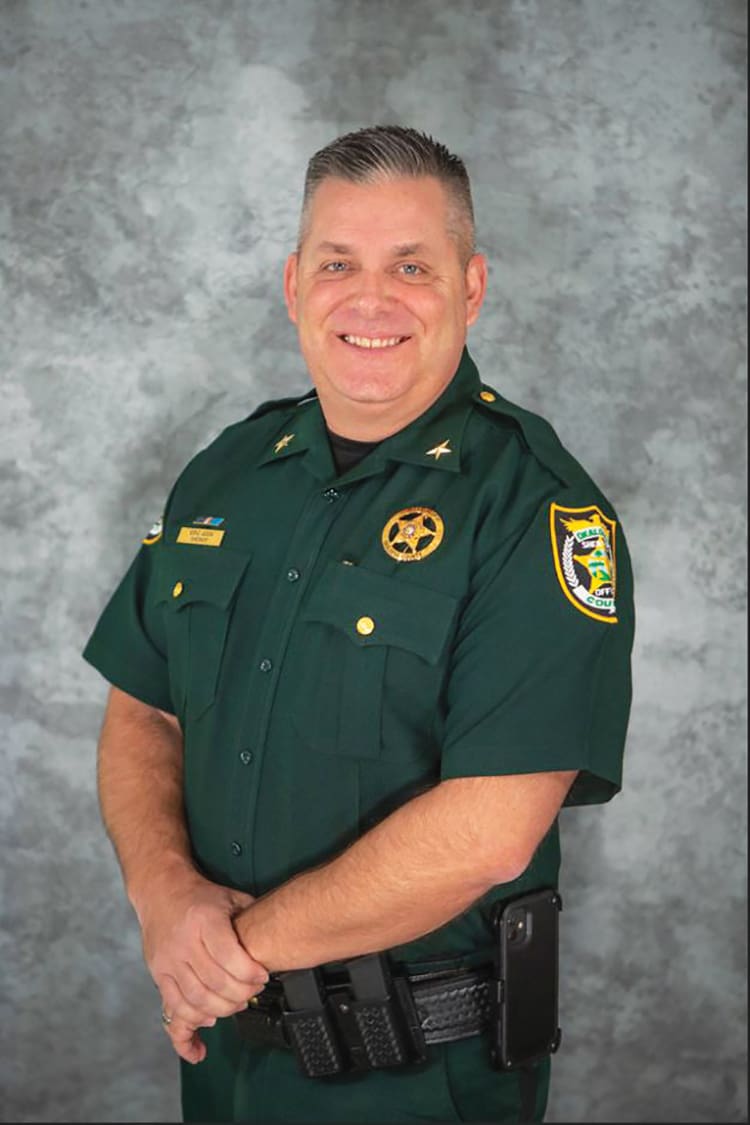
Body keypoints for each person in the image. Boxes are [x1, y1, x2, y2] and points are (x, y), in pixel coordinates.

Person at [83, 124, 635, 1124]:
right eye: (339, 262)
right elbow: (144, 710)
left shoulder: (536, 509)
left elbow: (490, 833)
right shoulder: (226, 474)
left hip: (418, 1075)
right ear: (294, 284)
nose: (370, 299)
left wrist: (227, 951)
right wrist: (165, 897)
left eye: (411, 266)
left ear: (471, 288)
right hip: (224, 1059)